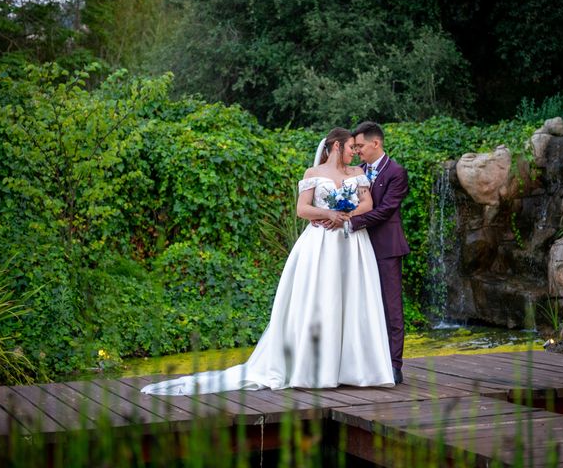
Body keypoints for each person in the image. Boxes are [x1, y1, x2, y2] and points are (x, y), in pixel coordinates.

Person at [141, 127, 394, 395]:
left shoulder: (357, 174)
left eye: (356, 148)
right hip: (321, 245)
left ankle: (355, 368)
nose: (354, 152)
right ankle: (315, 368)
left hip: (352, 243)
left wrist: (346, 214)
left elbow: (367, 203)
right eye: (350, 147)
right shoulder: (313, 174)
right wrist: (327, 213)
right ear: (335, 146)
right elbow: (302, 209)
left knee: (355, 300)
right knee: (321, 301)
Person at [349, 121, 410, 385]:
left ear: (376, 143)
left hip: (386, 247)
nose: (357, 150)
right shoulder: (356, 171)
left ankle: (394, 366)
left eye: (360, 145)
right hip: (358, 247)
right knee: (362, 305)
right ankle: (367, 363)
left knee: (391, 307)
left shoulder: (396, 172)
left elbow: (386, 209)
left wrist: (351, 221)